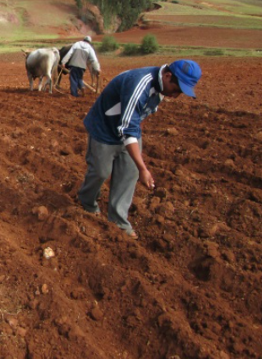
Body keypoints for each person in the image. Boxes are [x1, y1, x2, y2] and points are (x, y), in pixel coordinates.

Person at [77, 60, 202, 239]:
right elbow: (127, 127)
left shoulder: (160, 88)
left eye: (181, 92)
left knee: (129, 173)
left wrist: (137, 159)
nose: (176, 95)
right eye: (177, 89)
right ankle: (87, 202)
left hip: (128, 130)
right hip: (104, 129)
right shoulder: (140, 84)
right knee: (100, 172)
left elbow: (137, 119)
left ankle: (119, 222)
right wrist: (143, 168)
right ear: (167, 76)